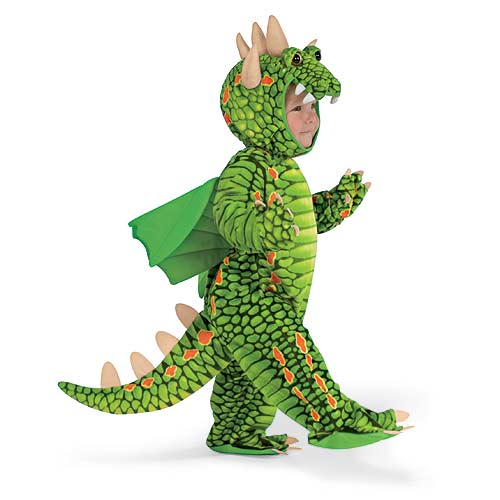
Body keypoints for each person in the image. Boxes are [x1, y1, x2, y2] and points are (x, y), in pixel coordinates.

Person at [59, 15, 413, 456]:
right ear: (265, 112)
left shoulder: (283, 168)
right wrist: (269, 227)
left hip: (256, 301)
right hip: (248, 296)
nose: (310, 118)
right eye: (297, 108)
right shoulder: (244, 169)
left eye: (311, 106)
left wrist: (337, 202)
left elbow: (299, 221)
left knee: (249, 376)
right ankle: (336, 421)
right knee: (289, 356)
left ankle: (234, 432)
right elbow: (232, 220)